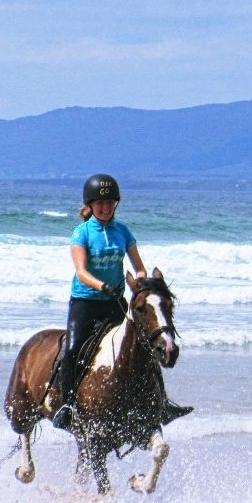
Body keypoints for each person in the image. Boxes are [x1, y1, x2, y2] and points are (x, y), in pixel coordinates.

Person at [52, 174, 190, 430]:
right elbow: (81, 272)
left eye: (110, 202)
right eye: (100, 203)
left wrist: (140, 284)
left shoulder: (123, 231)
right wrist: (103, 286)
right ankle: (67, 405)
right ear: (90, 204)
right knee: (72, 350)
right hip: (86, 302)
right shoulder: (81, 233)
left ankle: (162, 404)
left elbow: (139, 267)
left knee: (145, 347)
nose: (105, 207)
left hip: (115, 303)